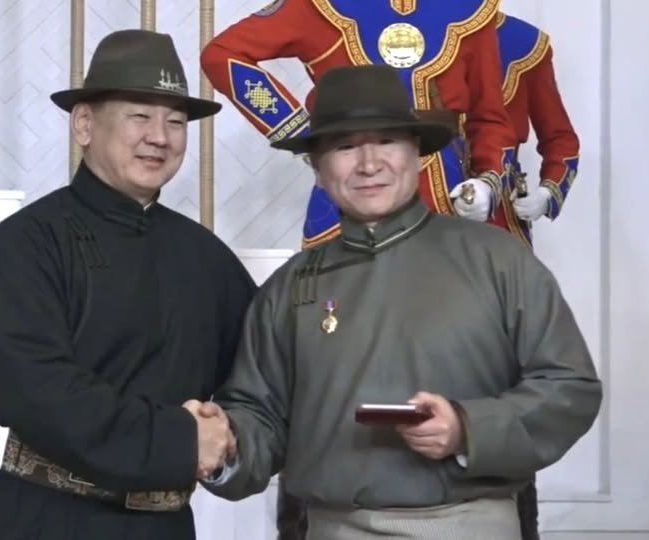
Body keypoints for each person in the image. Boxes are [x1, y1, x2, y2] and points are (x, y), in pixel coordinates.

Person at [187, 64, 603, 539]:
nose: (369, 164)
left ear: (417, 154)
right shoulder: (289, 288)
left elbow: (569, 388)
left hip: (471, 525)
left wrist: (467, 429)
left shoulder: (498, 260)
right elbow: (259, 418)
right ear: (318, 170)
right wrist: (221, 445)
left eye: (386, 141)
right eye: (345, 147)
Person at [0, 29, 254, 540]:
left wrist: (230, 436)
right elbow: (29, 389)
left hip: (166, 526)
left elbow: (260, 376)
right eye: (139, 116)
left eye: (175, 122)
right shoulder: (27, 241)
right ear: (84, 124)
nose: (160, 137)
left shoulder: (207, 257)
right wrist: (180, 439)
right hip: (46, 519)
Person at [200, 0, 519, 248]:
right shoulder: (317, 6)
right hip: (348, 193)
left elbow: (489, 117)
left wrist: (488, 181)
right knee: (336, 304)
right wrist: (300, 131)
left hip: (445, 192)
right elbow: (222, 54)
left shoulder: (470, 9)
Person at [496, 11, 581, 247]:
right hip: (423, 204)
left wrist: (546, 194)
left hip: (499, 214)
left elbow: (560, 139)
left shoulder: (523, 42)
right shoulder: (414, 33)